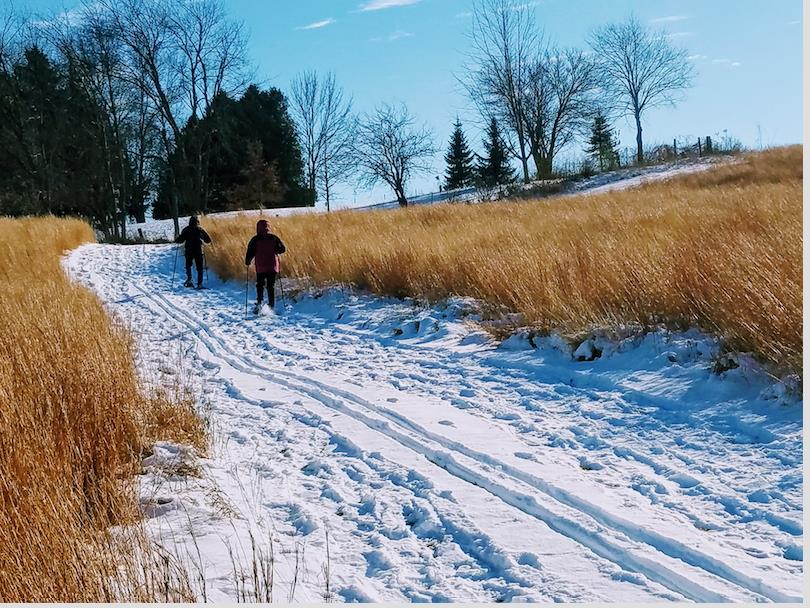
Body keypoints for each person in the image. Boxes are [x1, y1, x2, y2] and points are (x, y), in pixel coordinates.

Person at [245, 219, 286, 313]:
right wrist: (275, 251)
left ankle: (259, 304)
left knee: (260, 285)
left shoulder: (255, 239)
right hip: (272, 266)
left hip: (261, 266)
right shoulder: (274, 238)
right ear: (268, 227)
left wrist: (247, 262)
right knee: (271, 286)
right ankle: (271, 305)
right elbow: (283, 249)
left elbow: (250, 252)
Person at [175, 216, 211, 288]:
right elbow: (208, 240)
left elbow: (180, 240)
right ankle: (199, 284)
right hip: (198, 251)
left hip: (189, 251)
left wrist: (177, 239)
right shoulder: (200, 229)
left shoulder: (186, 229)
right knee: (199, 268)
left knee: (188, 265)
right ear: (197, 222)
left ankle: (189, 280)